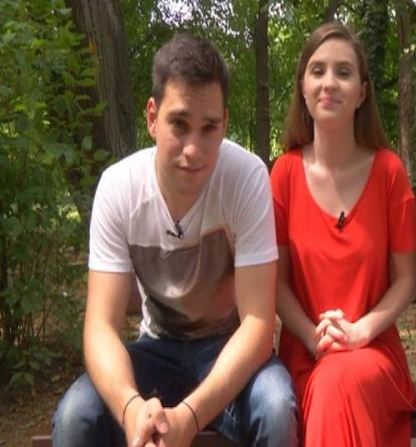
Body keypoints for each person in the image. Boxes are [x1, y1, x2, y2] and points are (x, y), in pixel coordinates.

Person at [52, 33, 297, 447]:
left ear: (224, 123)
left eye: (209, 128)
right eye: (179, 125)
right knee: (77, 415)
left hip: (229, 350)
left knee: (276, 407)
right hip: (154, 350)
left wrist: (189, 417)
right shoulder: (119, 188)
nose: (193, 149)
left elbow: (257, 324)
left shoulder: (247, 177)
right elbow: (100, 327)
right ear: (152, 117)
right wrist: (131, 408)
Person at [270, 22, 416, 446]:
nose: (329, 83)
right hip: (305, 353)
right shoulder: (284, 174)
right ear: (303, 88)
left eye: (344, 72)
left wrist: (360, 331)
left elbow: (406, 281)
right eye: (317, 71)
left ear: (362, 93)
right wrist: (315, 338)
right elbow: (276, 283)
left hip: (373, 352)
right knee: (332, 380)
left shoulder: (389, 172)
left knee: (339, 381)